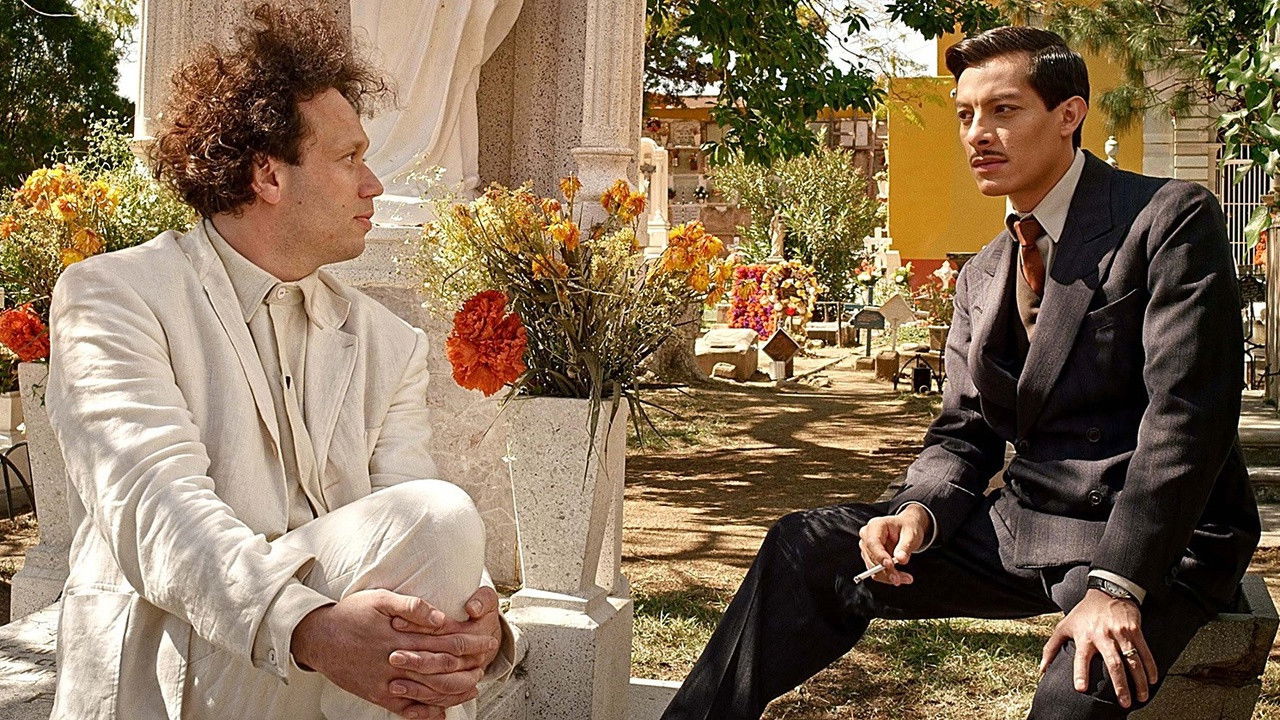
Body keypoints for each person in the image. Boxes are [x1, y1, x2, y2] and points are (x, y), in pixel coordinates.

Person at [661, 26, 1260, 720]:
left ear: (1068, 115)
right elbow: (964, 431)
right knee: (805, 548)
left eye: (1003, 110)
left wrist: (1118, 586)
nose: (978, 134)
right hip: (1027, 523)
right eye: (966, 115)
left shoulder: (1167, 218)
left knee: (1073, 698)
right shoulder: (983, 272)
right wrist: (915, 511)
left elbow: (1187, 417)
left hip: (1160, 538)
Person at [44, 5, 516, 719]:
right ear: (268, 174)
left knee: (436, 531)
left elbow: (413, 524)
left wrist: (480, 624)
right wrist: (308, 629)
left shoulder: (389, 343)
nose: (374, 184)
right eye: (349, 158)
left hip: (339, 667)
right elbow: (154, 508)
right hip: (180, 656)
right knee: (436, 522)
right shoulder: (113, 296)